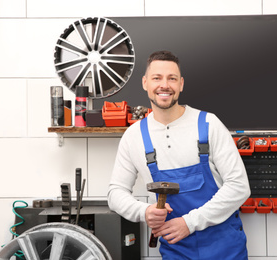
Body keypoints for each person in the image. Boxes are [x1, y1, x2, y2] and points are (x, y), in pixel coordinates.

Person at [107, 50, 250, 259]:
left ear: (181, 84)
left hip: (225, 246)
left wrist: (189, 223)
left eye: (171, 78)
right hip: (177, 250)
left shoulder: (209, 124)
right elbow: (115, 193)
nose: (164, 85)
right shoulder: (134, 136)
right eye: (157, 78)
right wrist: (144, 211)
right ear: (145, 83)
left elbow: (239, 187)